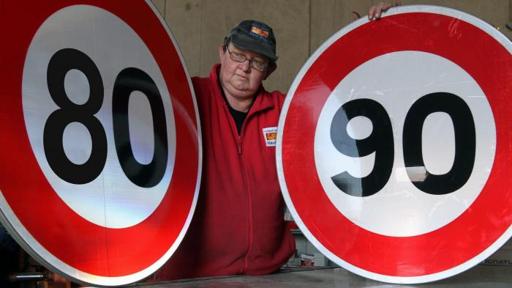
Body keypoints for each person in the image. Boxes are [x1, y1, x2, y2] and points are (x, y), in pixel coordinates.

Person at [154, 2, 396, 281]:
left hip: (265, 275)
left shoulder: (285, 111)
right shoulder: (188, 97)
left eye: (257, 62)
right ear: (222, 52)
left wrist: (368, 41)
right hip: (192, 277)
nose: (244, 68)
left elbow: (338, 109)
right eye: (237, 55)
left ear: (269, 70)